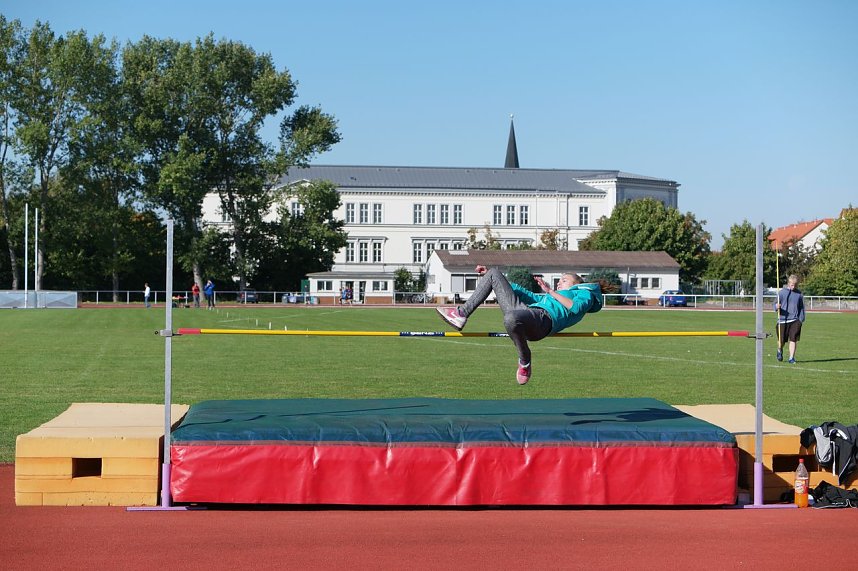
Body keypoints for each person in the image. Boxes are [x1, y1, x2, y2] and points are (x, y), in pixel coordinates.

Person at [437, 266, 604, 385]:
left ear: (575, 284)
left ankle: (524, 361)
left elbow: (576, 307)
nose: (559, 283)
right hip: (527, 314)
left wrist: (551, 292)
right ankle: (461, 314)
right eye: (559, 280)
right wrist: (495, 280)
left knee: (512, 317)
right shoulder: (550, 297)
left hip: (543, 321)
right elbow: (527, 295)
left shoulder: (583, 293)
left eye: (564, 280)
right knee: (495, 275)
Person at [775, 274, 805, 364]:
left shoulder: (799, 294)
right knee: (782, 341)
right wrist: (777, 306)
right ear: (788, 283)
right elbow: (775, 305)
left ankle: (791, 358)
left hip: (795, 320)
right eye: (792, 284)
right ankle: (779, 349)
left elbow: (801, 307)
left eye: (795, 285)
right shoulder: (781, 293)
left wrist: (801, 319)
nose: (794, 286)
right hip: (782, 320)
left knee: (793, 339)